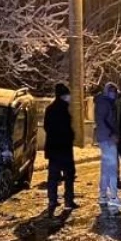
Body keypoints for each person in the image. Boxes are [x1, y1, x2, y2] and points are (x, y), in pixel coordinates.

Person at [43, 82, 77, 215]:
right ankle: (68, 200)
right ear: (62, 96)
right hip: (63, 148)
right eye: (67, 95)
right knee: (69, 175)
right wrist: (69, 136)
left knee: (53, 175)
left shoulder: (50, 108)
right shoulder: (63, 109)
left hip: (53, 148)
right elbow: (65, 129)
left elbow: (47, 127)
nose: (69, 97)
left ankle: (52, 199)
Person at [93, 82, 121, 211]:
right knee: (111, 168)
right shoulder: (105, 103)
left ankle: (103, 195)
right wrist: (112, 134)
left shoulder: (104, 102)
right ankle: (113, 197)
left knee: (106, 168)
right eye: (113, 91)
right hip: (108, 138)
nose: (114, 94)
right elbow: (103, 121)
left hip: (105, 138)